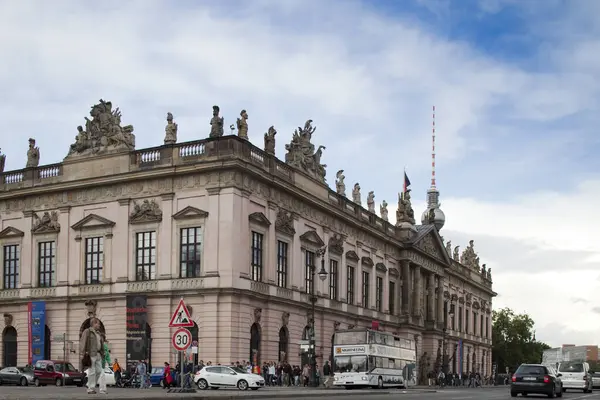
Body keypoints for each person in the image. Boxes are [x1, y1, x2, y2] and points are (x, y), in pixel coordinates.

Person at [79, 318, 107, 394]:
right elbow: (83, 342)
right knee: (92, 371)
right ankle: (91, 389)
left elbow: (101, 344)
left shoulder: (99, 333)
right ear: (94, 324)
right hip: (91, 353)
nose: (99, 326)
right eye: (98, 324)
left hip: (98, 354)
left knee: (99, 371)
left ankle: (89, 384)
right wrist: (83, 353)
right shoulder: (87, 331)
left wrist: (103, 353)